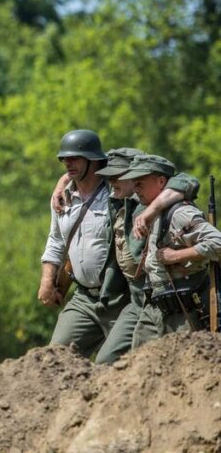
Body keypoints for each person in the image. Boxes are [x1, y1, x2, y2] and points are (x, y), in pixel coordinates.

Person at [83, 148, 198, 363]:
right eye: (109, 177)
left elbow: (187, 180)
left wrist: (151, 210)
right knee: (109, 361)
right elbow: (78, 175)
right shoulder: (114, 200)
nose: (111, 182)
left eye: (118, 176)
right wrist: (61, 183)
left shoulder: (146, 201)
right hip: (130, 299)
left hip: (161, 296)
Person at [38, 129, 129, 358]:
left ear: (94, 160)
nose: (68, 164)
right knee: (54, 361)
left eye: (75, 158)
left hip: (121, 298)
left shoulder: (119, 192)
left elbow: (142, 163)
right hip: (84, 298)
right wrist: (47, 280)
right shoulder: (62, 199)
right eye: (64, 159)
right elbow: (56, 241)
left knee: (113, 367)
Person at [117, 154, 221, 347]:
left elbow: (218, 243)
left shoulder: (181, 213)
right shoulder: (149, 210)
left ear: (161, 181)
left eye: (140, 183)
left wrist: (176, 256)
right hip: (154, 307)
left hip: (184, 310)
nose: (135, 189)